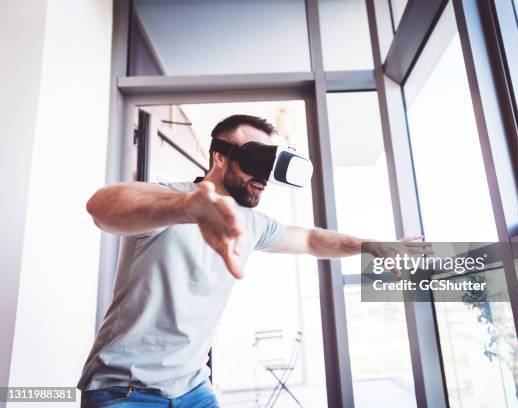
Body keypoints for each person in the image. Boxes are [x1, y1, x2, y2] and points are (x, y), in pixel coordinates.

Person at [77, 114, 426, 407]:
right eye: (255, 161)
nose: (262, 179)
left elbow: (309, 238)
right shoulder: (170, 200)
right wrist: (188, 208)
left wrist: (369, 245)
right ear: (219, 157)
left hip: (193, 387)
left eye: (269, 166)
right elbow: (102, 207)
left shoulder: (253, 223)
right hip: (124, 389)